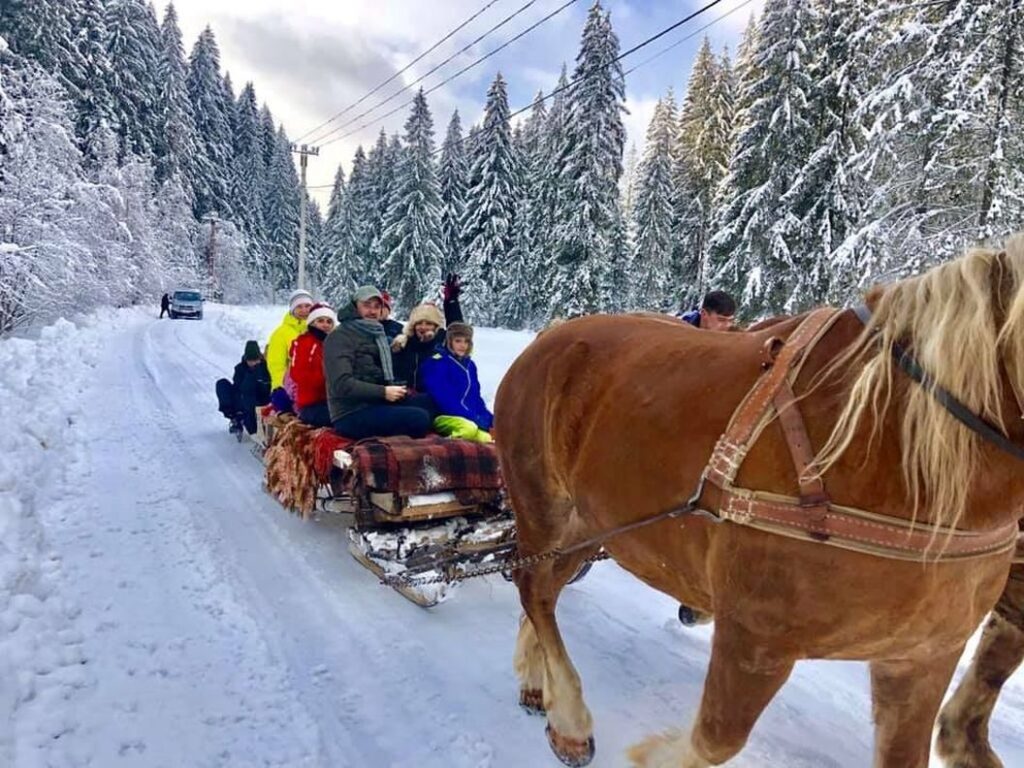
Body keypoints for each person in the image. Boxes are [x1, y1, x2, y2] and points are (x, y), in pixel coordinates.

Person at [323, 285, 434, 440]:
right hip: (350, 412)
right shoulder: (339, 337)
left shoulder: (375, 332)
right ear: (354, 307)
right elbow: (341, 384)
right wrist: (383, 391)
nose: (373, 311)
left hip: (376, 402)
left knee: (428, 402)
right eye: (367, 305)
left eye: (377, 306)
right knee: (419, 418)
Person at [391, 274, 465, 392]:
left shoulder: (443, 343)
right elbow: (395, 374)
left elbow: (459, 331)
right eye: (419, 323)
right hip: (407, 396)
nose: (423, 327)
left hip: (437, 396)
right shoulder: (403, 345)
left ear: (436, 326)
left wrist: (451, 303)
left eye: (429, 323)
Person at [421, 323, 493, 443]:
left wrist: (488, 418)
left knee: (487, 438)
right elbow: (442, 397)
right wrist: (471, 417)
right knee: (468, 429)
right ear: (449, 342)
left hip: (468, 418)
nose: (462, 345)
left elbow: (475, 397)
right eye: (458, 341)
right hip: (443, 415)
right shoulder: (437, 362)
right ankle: (447, 445)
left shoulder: (470, 366)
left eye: (466, 341)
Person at [288, 303, 337, 428]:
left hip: (331, 400)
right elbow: (298, 374)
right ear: (312, 322)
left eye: (329, 321)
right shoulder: (305, 343)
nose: (325, 325)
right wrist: (329, 380)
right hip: (311, 403)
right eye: (320, 321)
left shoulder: (332, 342)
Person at [215, 340, 272, 435]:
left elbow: (266, 388)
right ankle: (235, 418)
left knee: (249, 395)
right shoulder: (240, 369)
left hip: (259, 401)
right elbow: (239, 388)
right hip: (242, 400)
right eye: (250, 361)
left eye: (255, 360)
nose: (253, 363)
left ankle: (248, 422)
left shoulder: (265, 368)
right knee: (222, 384)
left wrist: (256, 373)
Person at [266, 288, 314, 390]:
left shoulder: (320, 328)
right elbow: (276, 366)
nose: (304, 310)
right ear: (292, 309)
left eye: (307, 306)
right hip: (291, 389)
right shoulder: (280, 334)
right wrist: (279, 388)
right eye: (299, 306)